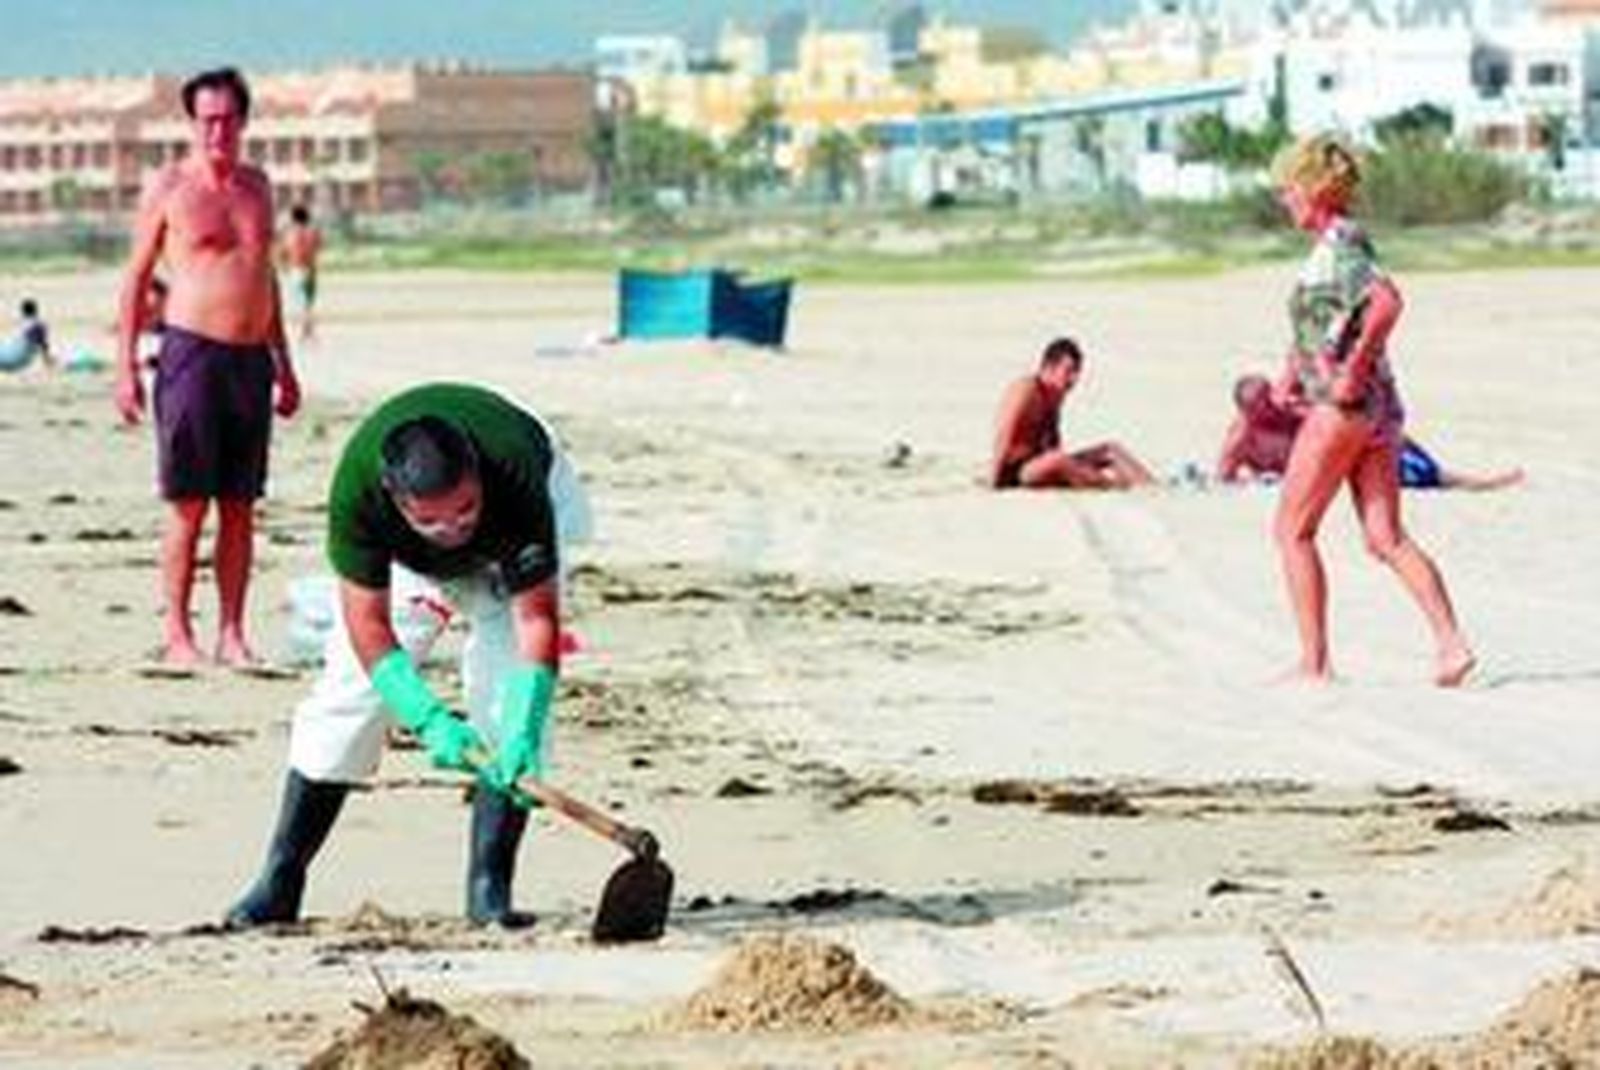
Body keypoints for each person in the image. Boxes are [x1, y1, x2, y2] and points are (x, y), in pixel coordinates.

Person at [226, 382, 592, 930]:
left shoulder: (516, 480)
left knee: (503, 702)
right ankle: (281, 876)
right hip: (406, 564)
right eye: (433, 521)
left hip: (514, 535)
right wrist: (426, 719)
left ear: (477, 475)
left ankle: (489, 890)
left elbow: (536, 620)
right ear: (398, 502)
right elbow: (367, 625)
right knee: (349, 698)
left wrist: (522, 723)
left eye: (465, 510)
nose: (453, 531)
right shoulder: (360, 497)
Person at [112, 67, 302, 668]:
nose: (217, 129)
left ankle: (233, 631)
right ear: (193, 123)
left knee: (241, 505)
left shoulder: (258, 186)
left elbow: (264, 274)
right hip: (191, 354)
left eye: (227, 118)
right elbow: (137, 279)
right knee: (188, 503)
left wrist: (284, 363)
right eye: (206, 119)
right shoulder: (170, 186)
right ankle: (177, 634)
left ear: (243, 121)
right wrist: (125, 369)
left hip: (250, 360)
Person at [1269, 134, 1474, 687]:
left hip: (1345, 408)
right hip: (1377, 413)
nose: (1282, 200)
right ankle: (1451, 645)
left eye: (1287, 190)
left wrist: (1353, 367)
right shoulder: (1335, 248)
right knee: (1385, 536)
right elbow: (1331, 323)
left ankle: (1314, 664)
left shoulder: (1341, 242)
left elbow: (1387, 302)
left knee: (1292, 530)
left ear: (1312, 190)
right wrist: (1293, 373)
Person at [1217, 373, 1524, 492]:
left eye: (1270, 397)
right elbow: (1224, 477)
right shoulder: (1241, 438)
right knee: (1413, 478)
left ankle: (1471, 479)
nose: (1272, 405)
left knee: (1392, 444)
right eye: (1262, 404)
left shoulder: (1291, 409)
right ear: (1246, 410)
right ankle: (1477, 481)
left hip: (1343, 458)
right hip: (1323, 477)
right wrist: (1262, 480)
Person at [989, 337, 1156, 490]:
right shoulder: (1025, 389)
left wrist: (1072, 468)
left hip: (1038, 464)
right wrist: (995, 482)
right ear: (1049, 367)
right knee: (1058, 459)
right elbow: (1004, 433)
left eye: (1077, 372)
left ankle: (1151, 485)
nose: (1074, 379)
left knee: (1110, 450)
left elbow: (1053, 440)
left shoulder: (1054, 395)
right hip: (1016, 471)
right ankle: (1114, 486)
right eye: (1068, 371)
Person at [279, 204, 322, 343]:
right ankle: (307, 331)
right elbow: (318, 247)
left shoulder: (289, 233)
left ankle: (306, 331)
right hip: (311, 269)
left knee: (299, 303)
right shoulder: (313, 232)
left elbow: (283, 252)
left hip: (296, 269)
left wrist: (283, 266)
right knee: (307, 304)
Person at [0, 298, 55, 373]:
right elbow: (43, 344)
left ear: (23, 312)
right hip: (22, 359)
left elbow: (40, 342)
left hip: (15, 357)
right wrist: (47, 358)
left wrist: (47, 358)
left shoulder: (33, 325)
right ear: (36, 311)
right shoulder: (36, 324)